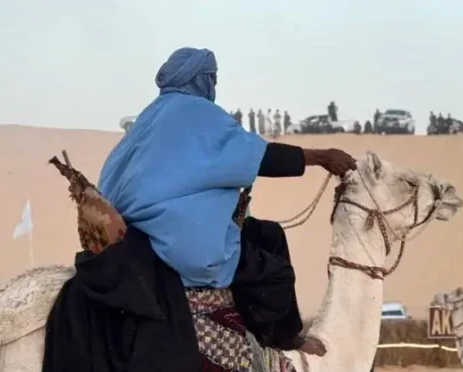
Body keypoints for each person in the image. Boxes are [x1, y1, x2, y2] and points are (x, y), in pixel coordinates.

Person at [97, 47, 355, 355]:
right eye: (213, 79)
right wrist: (322, 158)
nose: (215, 88)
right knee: (274, 275)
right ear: (202, 79)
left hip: (135, 234)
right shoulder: (197, 113)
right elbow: (260, 156)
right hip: (170, 238)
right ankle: (275, 342)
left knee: (269, 235)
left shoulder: (150, 117)